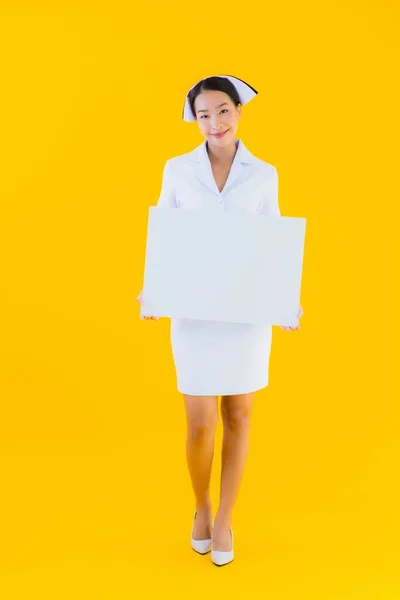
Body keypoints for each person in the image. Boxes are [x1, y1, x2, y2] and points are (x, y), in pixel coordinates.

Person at [137, 75, 304, 566]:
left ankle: (226, 516)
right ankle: (201, 508)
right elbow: (163, 230)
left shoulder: (264, 174)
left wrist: (285, 299)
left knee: (239, 415)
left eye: (223, 111)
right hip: (193, 308)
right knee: (199, 425)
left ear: (239, 112)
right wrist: (153, 287)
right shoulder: (176, 169)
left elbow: (274, 236)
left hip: (246, 310)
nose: (214, 122)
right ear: (195, 119)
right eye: (204, 114)